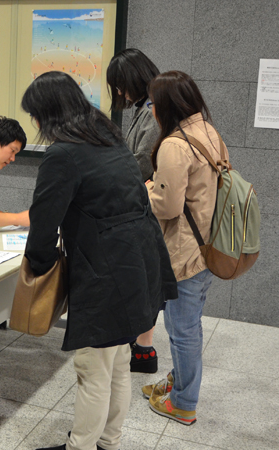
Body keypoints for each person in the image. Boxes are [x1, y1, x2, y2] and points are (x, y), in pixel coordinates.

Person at [21, 71, 177, 450]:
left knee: (92, 368)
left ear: (49, 113)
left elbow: (44, 221)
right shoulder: (108, 137)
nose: (37, 125)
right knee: (118, 361)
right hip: (140, 260)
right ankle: (109, 441)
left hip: (107, 269)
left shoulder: (63, 153)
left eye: (36, 115)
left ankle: (81, 446)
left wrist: (39, 268)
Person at [142, 71, 225, 426]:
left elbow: (167, 206)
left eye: (152, 103)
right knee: (188, 325)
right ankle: (178, 385)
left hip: (185, 253)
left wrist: (145, 187)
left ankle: (184, 402)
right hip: (207, 247)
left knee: (182, 329)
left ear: (165, 105)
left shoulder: (176, 144)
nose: (150, 110)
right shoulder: (207, 130)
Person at [107, 48, 161, 374]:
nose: (119, 92)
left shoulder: (154, 110)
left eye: (120, 84)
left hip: (146, 204)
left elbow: (142, 160)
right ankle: (142, 348)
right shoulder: (147, 106)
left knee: (143, 281)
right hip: (142, 201)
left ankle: (143, 351)